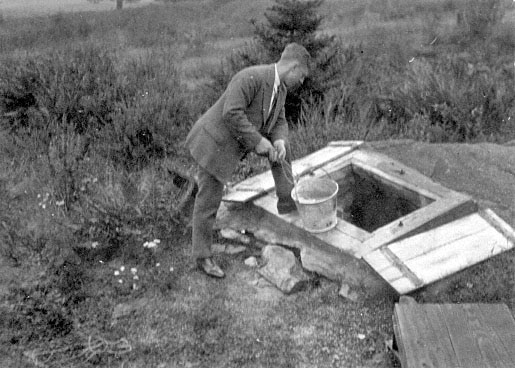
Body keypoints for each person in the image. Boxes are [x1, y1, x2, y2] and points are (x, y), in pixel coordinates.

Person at [185, 43, 311, 278]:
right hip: (212, 143)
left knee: (282, 152)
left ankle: (287, 201)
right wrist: (258, 142)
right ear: (293, 67)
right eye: (302, 76)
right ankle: (202, 256)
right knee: (209, 199)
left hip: (230, 143)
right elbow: (231, 113)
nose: (302, 82)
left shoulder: (280, 89)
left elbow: (280, 121)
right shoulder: (250, 76)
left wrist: (280, 141)